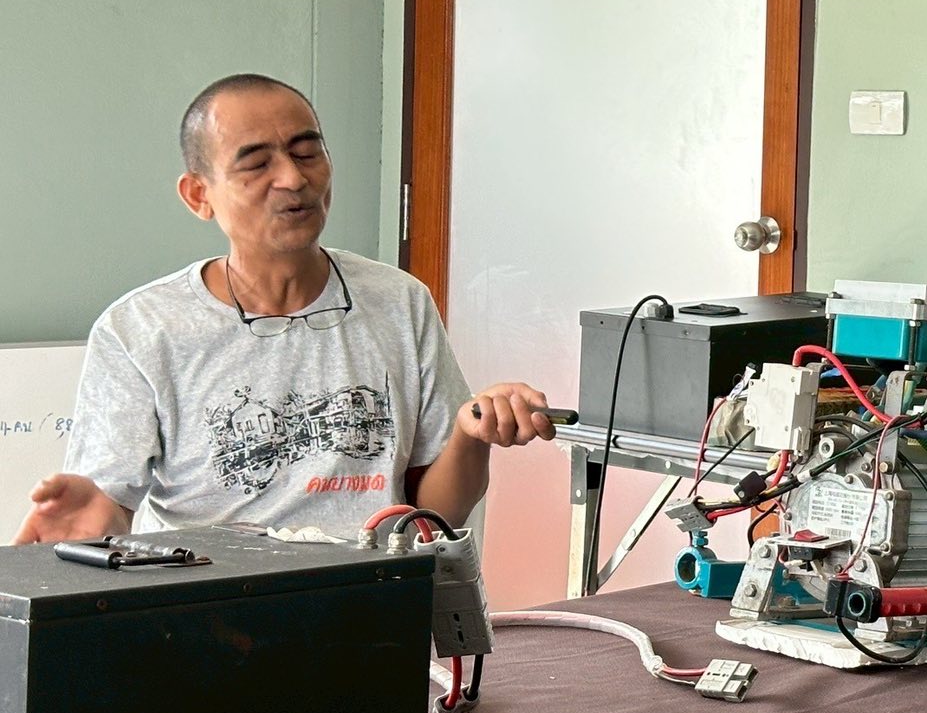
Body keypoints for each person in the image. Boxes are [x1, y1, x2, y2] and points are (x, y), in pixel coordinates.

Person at [14, 73, 554, 544]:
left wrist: (470, 437)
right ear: (199, 195)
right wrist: (96, 520)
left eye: (307, 152)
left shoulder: (399, 301)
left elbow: (434, 513)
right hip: (209, 606)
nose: (294, 179)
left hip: (370, 600)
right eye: (256, 164)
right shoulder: (141, 329)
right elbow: (107, 512)